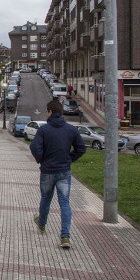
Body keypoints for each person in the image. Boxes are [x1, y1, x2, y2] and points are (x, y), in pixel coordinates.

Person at [29, 99, 86, 249]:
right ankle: (65, 236)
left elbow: (35, 147)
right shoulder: (71, 129)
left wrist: (41, 159)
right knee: (64, 203)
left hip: (47, 171)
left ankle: (41, 224)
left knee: (46, 198)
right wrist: (69, 159)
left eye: (46, 111)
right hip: (63, 172)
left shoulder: (43, 130)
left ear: (50, 112)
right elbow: (81, 148)